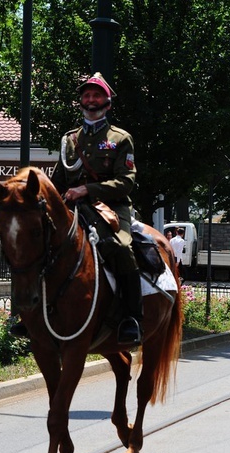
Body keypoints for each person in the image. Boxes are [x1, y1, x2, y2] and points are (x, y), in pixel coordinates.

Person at [49, 72, 143, 344]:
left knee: (122, 248)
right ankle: (31, 315)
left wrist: (87, 190)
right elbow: (58, 180)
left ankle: (131, 318)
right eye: (86, 95)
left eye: (96, 95)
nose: (90, 100)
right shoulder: (70, 140)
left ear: (107, 102)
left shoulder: (120, 138)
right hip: (73, 207)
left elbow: (126, 181)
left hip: (110, 209)